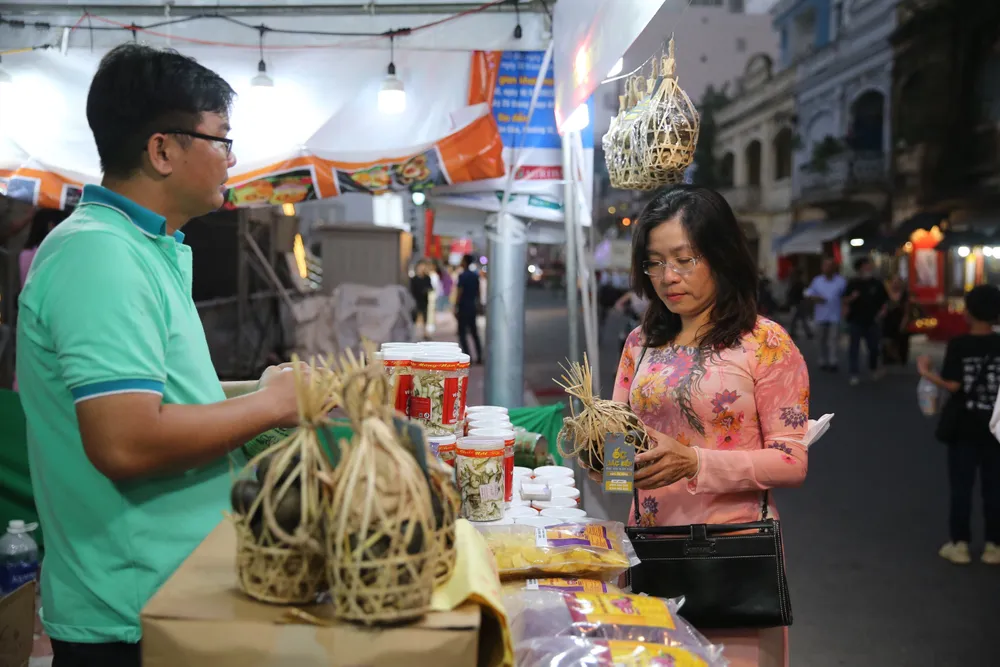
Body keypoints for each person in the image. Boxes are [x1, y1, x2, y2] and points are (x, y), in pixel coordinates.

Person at [15, 44, 303, 667]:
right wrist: (271, 406)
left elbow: (160, 396)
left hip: (173, 596)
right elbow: (125, 441)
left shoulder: (142, 248)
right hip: (131, 616)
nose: (231, 159)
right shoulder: (100, 256)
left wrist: (261, 393)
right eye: (222, 139)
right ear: (163, 150)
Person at [607, 185, 808, 666]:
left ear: (721, 255)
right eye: (654, 263)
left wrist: (695, 462)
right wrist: (606, 463)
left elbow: (791, 461)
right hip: (651, 550)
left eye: (684, 260)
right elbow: (617, 442)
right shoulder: (640, 342)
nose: (667, 277)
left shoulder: (766, 344)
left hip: (734, 558)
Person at [917, 285, 1000, 566]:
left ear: (970, 312)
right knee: (994, 487)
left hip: (965, 426)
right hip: (996, 426)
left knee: (961, 486)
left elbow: (953, 385)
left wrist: (926, 372)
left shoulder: (960, 344)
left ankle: (960, 544)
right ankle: (994, 546)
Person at [844, 257, 889, 385]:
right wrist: (851, 298)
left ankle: (873, 368)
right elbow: (844, 300)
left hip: (873, 320)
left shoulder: (877, 283)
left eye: (869, 265)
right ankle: (854, 372)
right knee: (854, 347)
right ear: (860, 268)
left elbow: (885, 300)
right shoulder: (853, 283)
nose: (868, 268)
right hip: (856, 319)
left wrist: (883, 311)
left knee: (874, 347)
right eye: (866, 266)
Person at [804, 257, 847, 372]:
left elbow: (845, 296)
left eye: (830, 266)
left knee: (833, 339)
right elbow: (808, 294)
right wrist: (816, 298)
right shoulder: (817, 281)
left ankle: (833, 360)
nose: (828, 268)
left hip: (835, 315)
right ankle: (822, 359)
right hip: (820, 315)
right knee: (821, 339)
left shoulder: (841, 281)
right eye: (825, 266)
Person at [454, 254, 483, 364]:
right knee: (474, 332)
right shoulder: (475, 276)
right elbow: (479, 292)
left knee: (462, 333)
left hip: (463, 306)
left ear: (465, 262)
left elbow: (459, 292)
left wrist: (455, 306)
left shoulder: (462, 276)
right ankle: (479, 356)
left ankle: (467, 356)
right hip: (472, 306)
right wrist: (479, 304)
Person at [882, 275, 912, 366]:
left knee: (900, 340)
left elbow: (907, 311)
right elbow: (883, 308)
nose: (895, 284)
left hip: (900, 321)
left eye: (898, 283)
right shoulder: (885, 294)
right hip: (888, 321)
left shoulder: (904, 295)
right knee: (887, 341)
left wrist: (903, 323)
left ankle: (900, 358)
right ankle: (890, 357)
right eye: (894, 282)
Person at [785, 269, 813, 340]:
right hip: (799, 303)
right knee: (800, 319)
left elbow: (793, 294)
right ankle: (807, 333)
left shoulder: (798, 284)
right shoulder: (798, 283)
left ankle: (796, 332)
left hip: (798, 303)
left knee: (797, 319)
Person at [409, 260, 433, 339]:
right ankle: (412, 334)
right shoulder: (414, 279)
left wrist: (426, 290)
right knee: (414, 318)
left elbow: (430, 287)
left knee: (425, 318)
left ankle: (425, 333)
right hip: (416, 300)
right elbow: (411, 290)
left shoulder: (427, 278)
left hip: (424, 301)